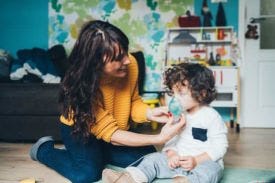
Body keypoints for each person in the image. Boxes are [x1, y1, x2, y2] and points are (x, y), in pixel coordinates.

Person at [29, 20, 185, 183]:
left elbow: (134, 101)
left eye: (125, 51)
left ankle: (93, 154)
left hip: (113, 131)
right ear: (94, 63)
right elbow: (112, 134)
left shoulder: (130, 64)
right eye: (118, 58)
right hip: (81, 132)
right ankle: (43, 150)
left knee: (148, 157)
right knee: (86, 174)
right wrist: (159, 138)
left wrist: (150, 113)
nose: (126, 60)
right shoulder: (81, 89)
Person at [102, 63, 228, 183]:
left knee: (212, 170)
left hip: (202, 162)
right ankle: (130, 178)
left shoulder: (211, 116)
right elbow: (171, 140)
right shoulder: (178, 114)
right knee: (152, 158)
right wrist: (172, 154)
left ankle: (190, 181)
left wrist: (196, 160)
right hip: (177, 162)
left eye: (181, 94)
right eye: (173, 93)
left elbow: (220, 146)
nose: (175, 99)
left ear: (202, 93)